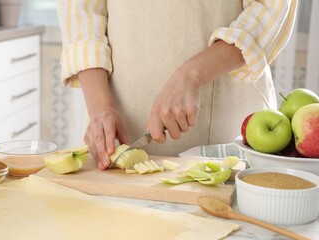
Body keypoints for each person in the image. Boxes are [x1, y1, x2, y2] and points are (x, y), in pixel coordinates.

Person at [57, 0, 298, 170]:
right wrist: (100, 107)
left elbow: (272, 6)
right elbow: (80, 12)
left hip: (228, 118)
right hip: (118, 114)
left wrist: (192, 74)